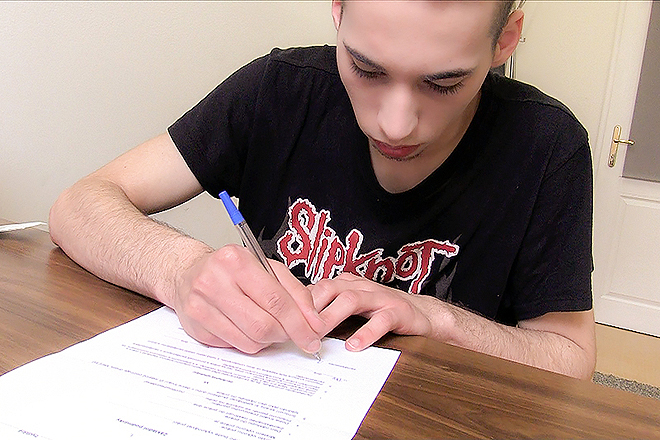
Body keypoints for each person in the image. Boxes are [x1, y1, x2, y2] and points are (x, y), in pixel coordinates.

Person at [49, 0, 597, 380]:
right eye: (366, 69)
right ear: (338, 10)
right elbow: (79, 205)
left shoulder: (547, 145)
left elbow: (571, 357)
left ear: (505, 41)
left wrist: (438, 319)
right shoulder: (279, 90)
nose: (395, 125)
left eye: (443, 83)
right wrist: (180, 269)